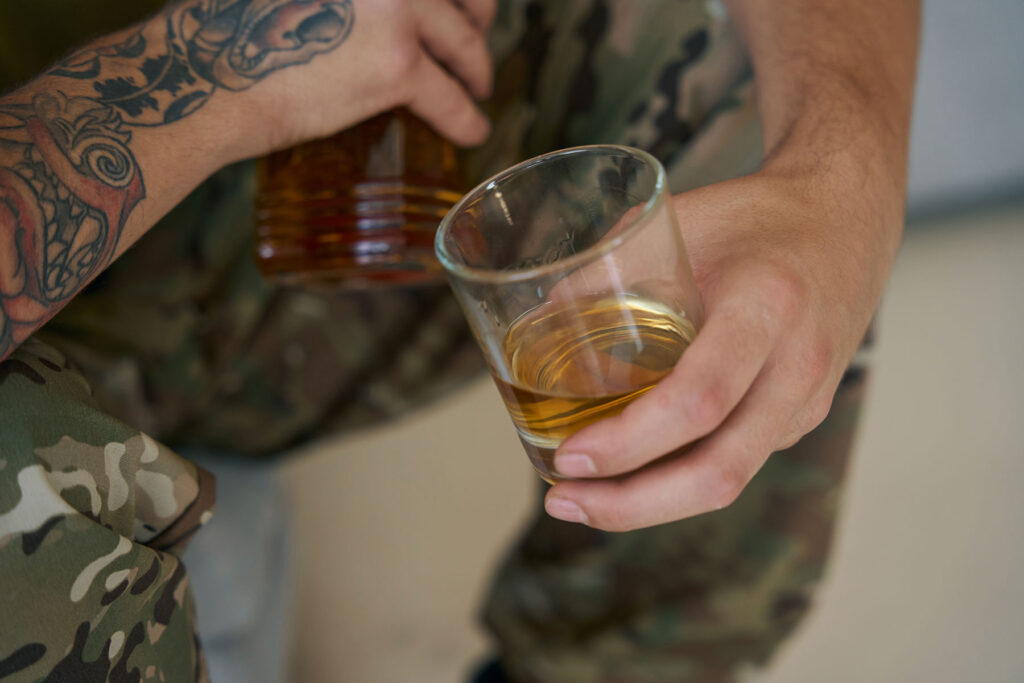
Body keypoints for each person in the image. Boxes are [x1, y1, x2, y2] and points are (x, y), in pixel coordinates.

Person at [0, 0, 919, 681]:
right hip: (65, 247)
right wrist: (221, 62)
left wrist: (840, 179)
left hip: (208, 256)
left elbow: (820, 158)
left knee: (729, 132)